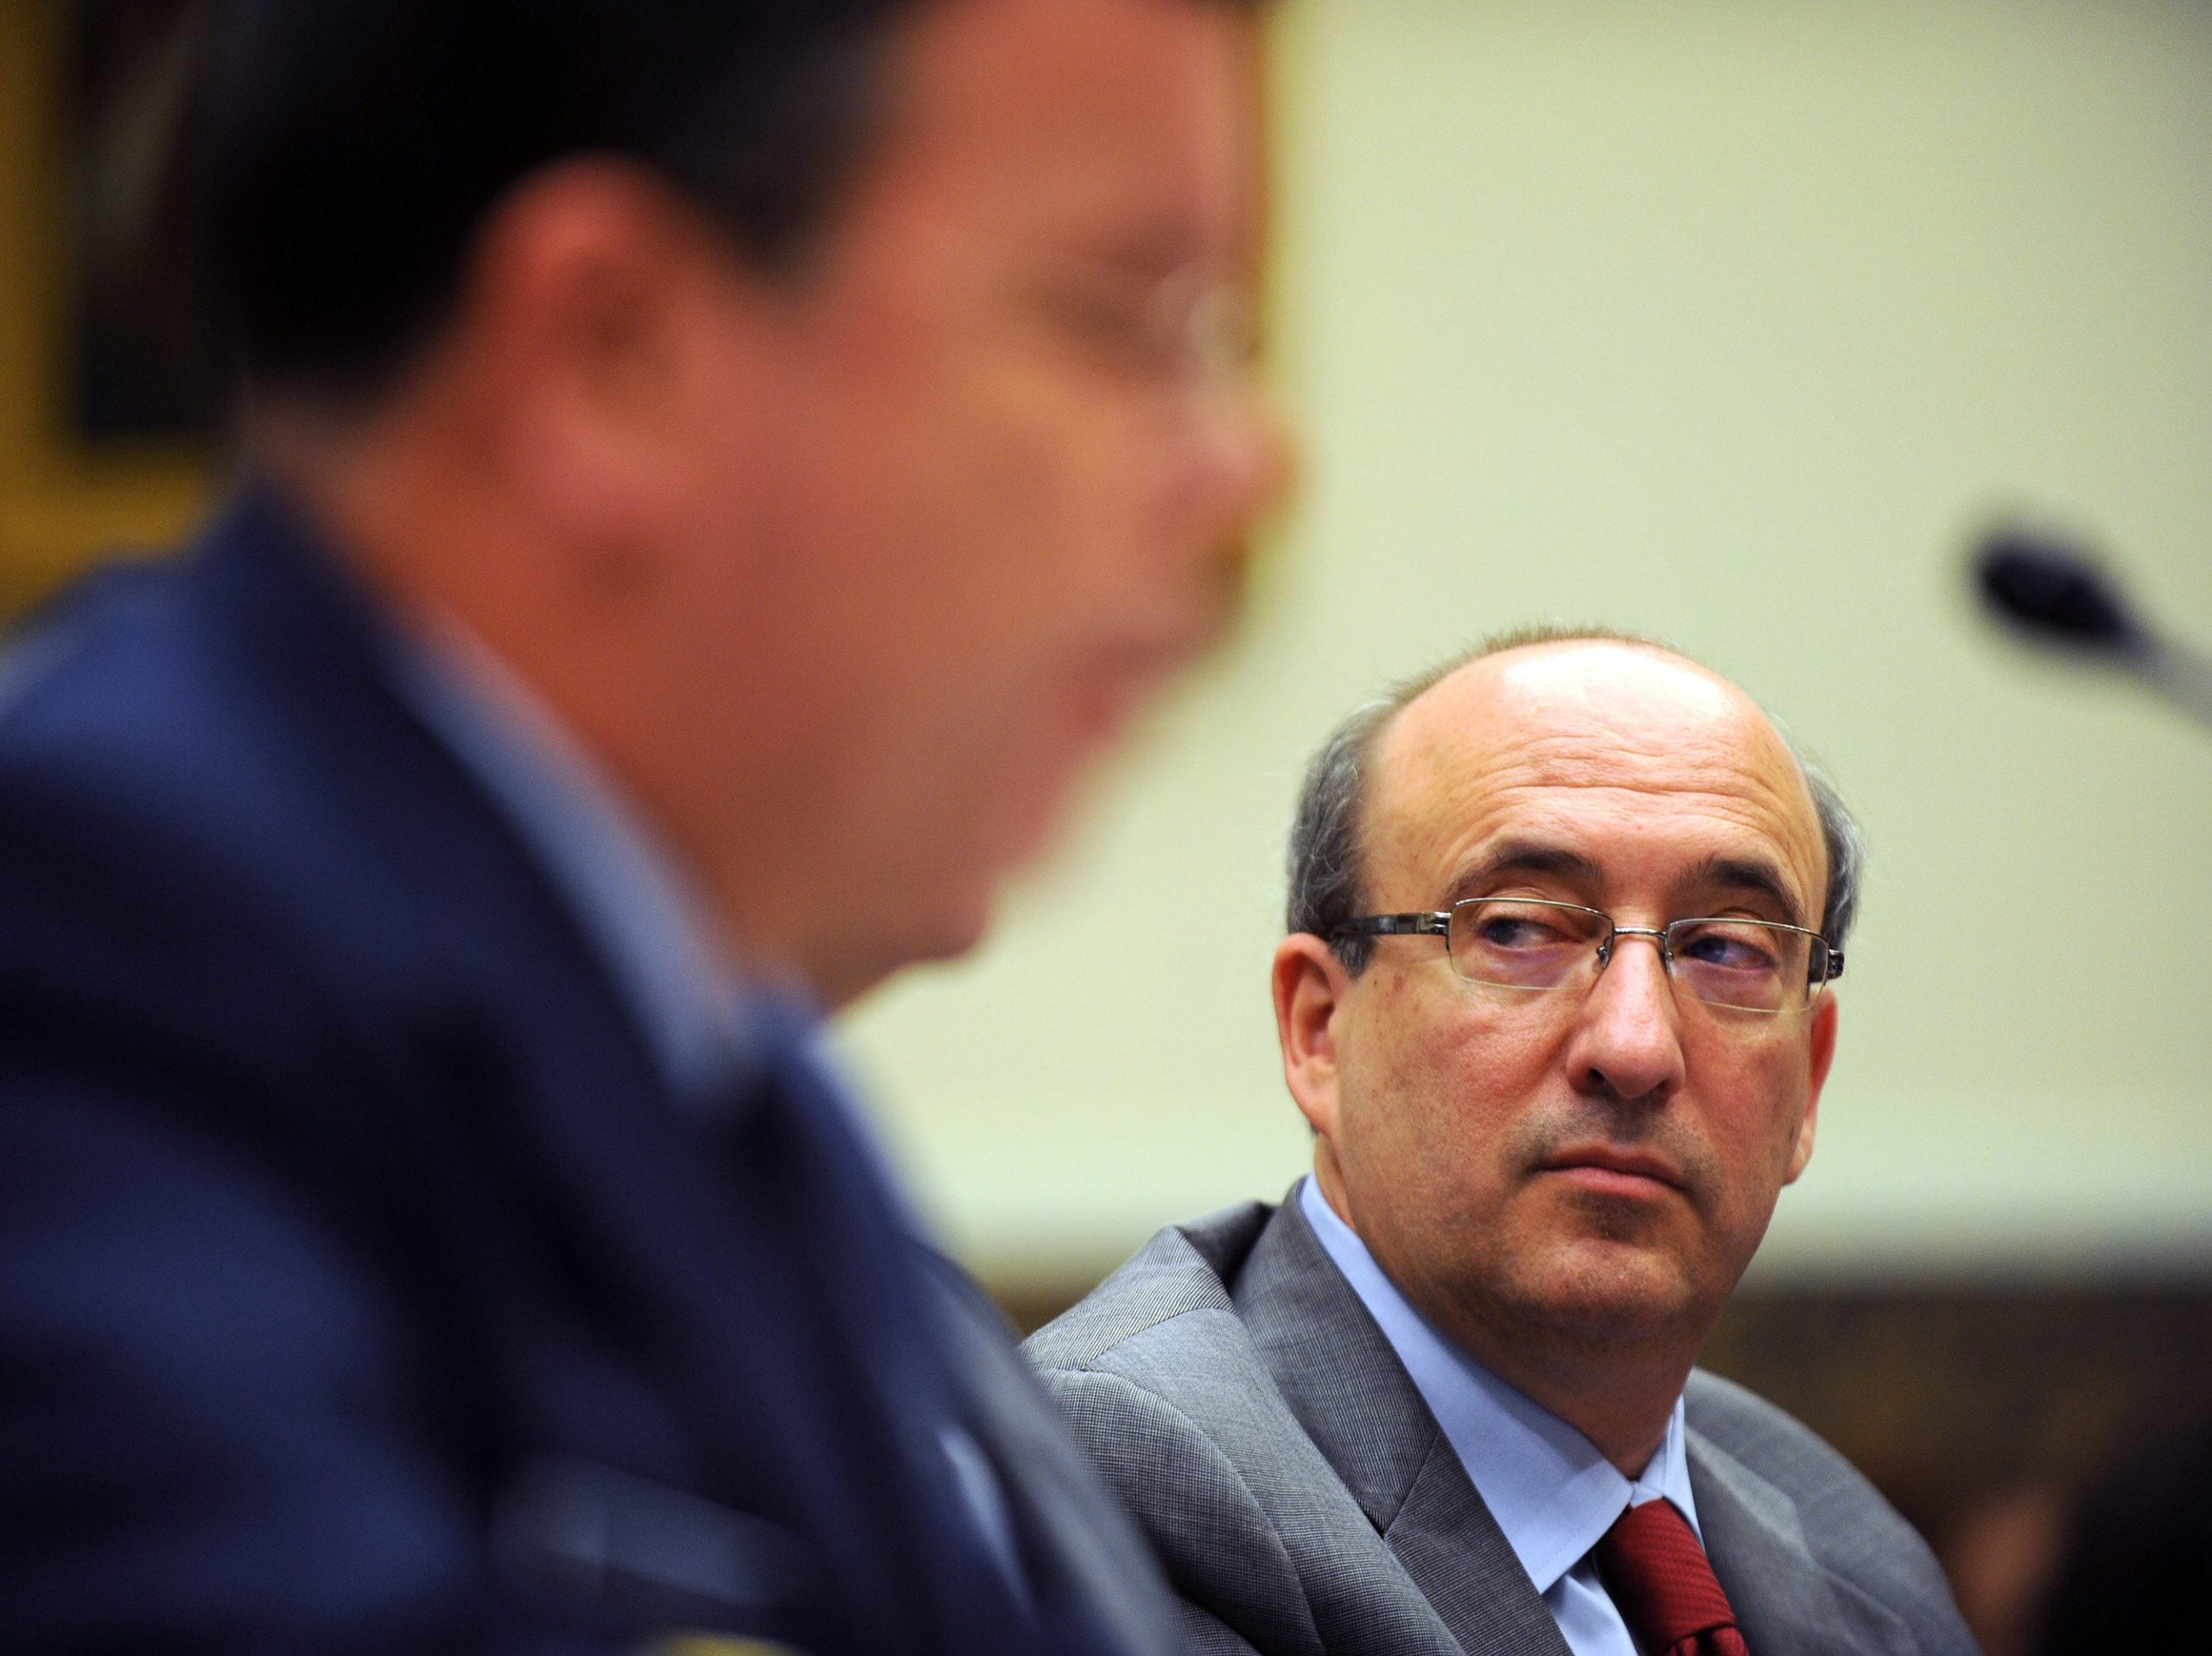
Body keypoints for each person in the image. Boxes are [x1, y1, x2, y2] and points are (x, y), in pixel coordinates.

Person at [0, 0, 1285, 1651]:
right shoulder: (91, 948)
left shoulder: (725, 1054)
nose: (1245, 464)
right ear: (612, 353)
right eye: (1124, 321)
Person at [1027, 630, 1980, 1656]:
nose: (1635, 1043)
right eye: (1521, 929)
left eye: (1723, 948)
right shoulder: (1121, 1486)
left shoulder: (1846, 1551)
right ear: (1319, 1030)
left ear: (1808, 1082)